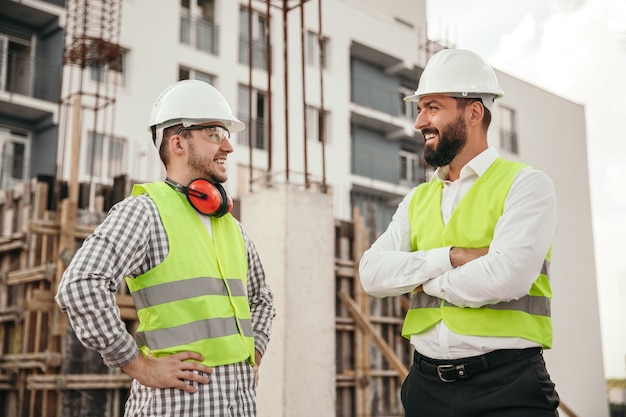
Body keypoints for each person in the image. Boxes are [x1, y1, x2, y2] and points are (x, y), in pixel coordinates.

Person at [358, 49, 560, 417]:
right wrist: (449, 257)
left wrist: (420, 280)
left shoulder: (527, 185)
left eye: (432, 107)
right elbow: (371, 273)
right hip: (425, 388)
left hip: (508, 388)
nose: (419, 122)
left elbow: (505, 278)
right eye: (419, 109)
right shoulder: (417, 199)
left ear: (474, 112)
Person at [55, 79, 275, 417]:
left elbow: (263, 298)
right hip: (175, 407)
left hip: (237, 405)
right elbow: (80, 286)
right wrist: (139, 365)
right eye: (215, 133)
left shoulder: (231, 226)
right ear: (178, 143)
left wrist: (252, 355)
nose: (228, 147)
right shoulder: (145, 212)